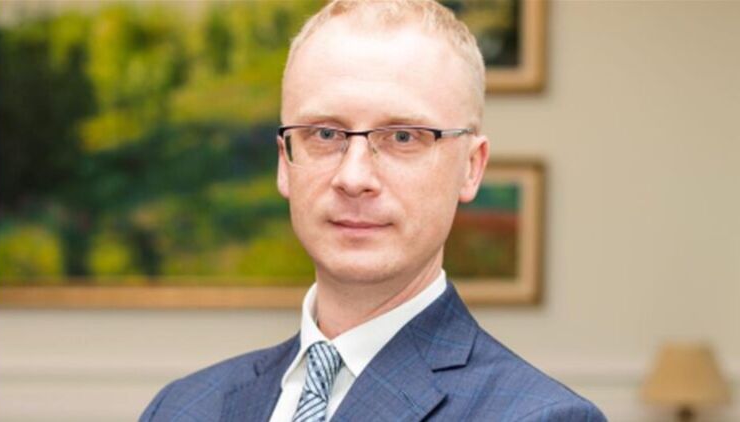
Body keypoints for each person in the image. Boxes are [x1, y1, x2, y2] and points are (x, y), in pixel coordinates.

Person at [140, 1, 606, 421]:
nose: (354, 177)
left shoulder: (541, 416)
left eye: (403, 136)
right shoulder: (182, 408)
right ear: (285, 162)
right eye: (325, 134)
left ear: (471, 168)